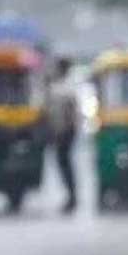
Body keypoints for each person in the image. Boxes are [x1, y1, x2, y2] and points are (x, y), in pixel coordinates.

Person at [48, 57, 79, 214]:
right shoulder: (60, 86)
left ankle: (72, 197)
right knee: (63, 165)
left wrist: (66, 132)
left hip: (65, 133)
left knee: (65, 165)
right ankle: (71, 197)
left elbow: (71, 115)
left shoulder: (66, 87)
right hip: (61, 132)